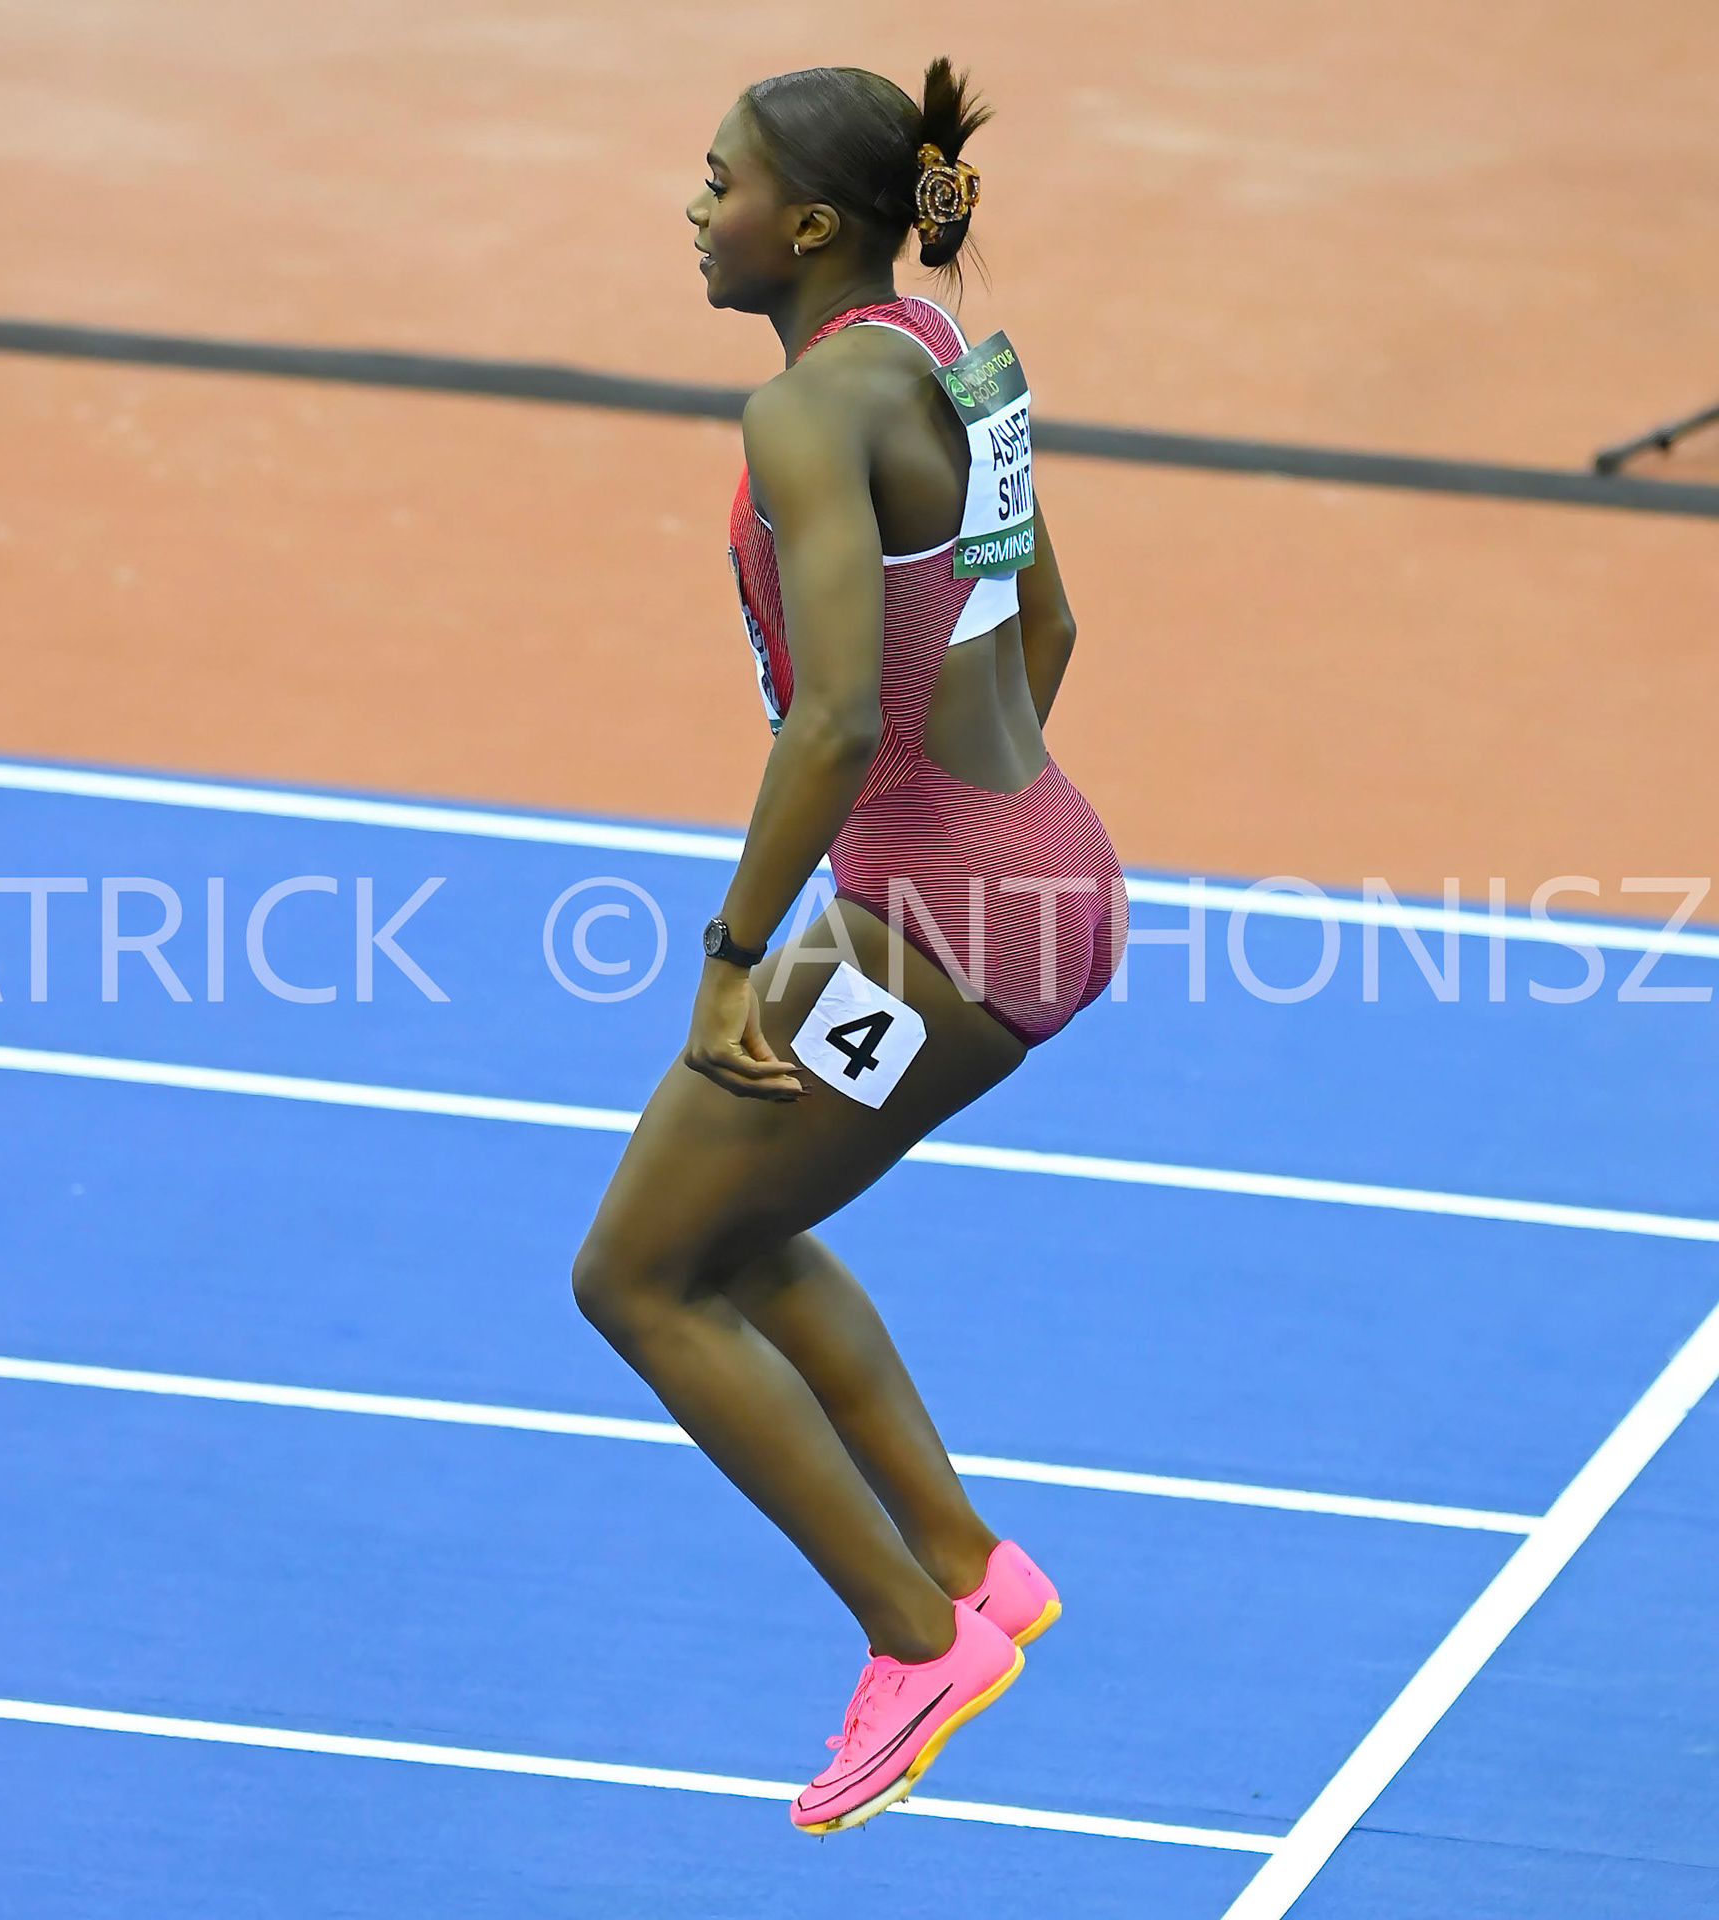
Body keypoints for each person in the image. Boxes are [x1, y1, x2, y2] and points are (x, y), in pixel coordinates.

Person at [572, 58, 1124, 1835]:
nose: (693, 204)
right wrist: (971, 820)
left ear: (804, 224)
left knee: (640, 1275)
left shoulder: (804, 417)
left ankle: (916, 1638)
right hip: (1032, 869)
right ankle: (972, 1564)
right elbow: (1041, 619)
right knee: (739, 1220)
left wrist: (743, 951)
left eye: (715, 178)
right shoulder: (969, 359)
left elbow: (821, 725)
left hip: (944, 923)